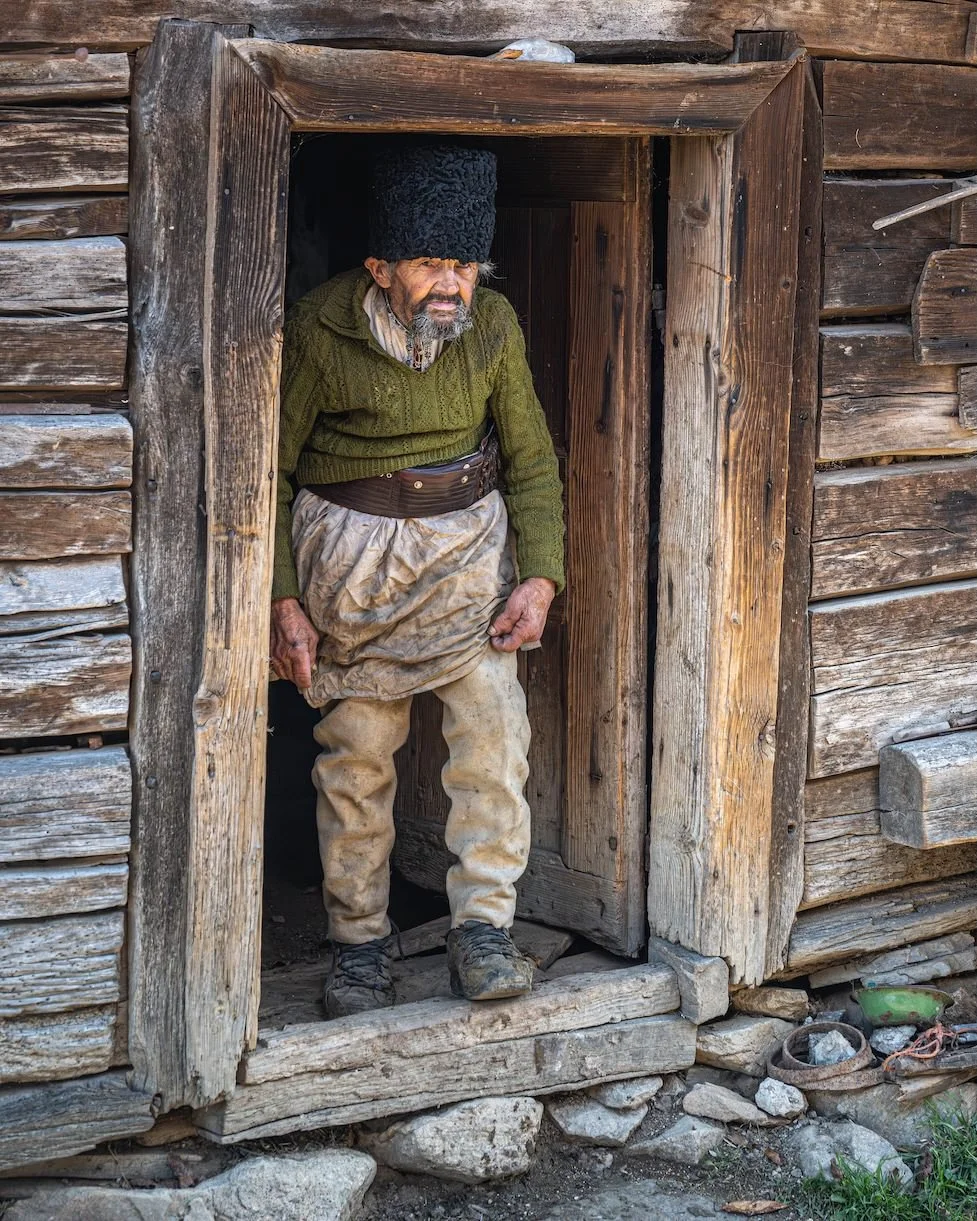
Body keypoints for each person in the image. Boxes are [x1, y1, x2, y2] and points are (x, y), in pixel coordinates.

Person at [269, 143, 565, 1018]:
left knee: (493, 741)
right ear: (380, 269)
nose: (451, 285)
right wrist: (282, 600)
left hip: (467, 558)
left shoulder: (494, 328)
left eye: (463, 265)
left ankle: (483, 931)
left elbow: (533, 461)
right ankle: (356, 944)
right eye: (432, 264)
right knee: (356, 757)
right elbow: (266, 476)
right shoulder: (320, 332)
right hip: (352, 573)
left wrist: (539, 577)